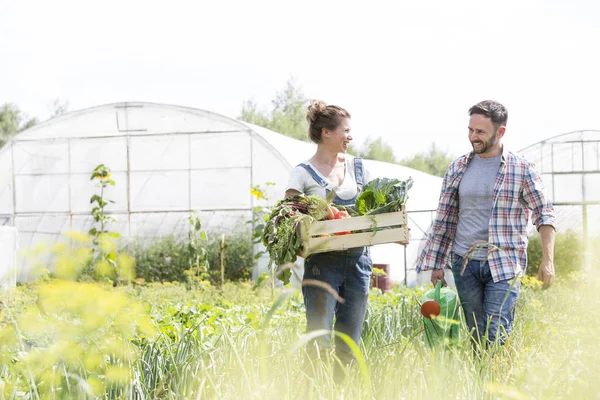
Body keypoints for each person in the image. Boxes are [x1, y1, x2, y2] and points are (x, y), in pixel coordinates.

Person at [416, 100, 556, 350]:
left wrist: (548, 259)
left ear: (500, 132)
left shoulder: (521, 169)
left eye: (480, 132)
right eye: (470, 130)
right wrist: (437, 263)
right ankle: (478, 387)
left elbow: (544, 213)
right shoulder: (458, 167)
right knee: (475, 334)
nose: (473, 137)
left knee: (495, 332)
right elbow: (445, 218)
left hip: (503, 263)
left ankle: (497, 385)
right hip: (464, 263)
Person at [285, 99, 372, 382]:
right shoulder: (301, 173)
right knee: (319, 340)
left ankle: (341, 391)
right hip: (323, 264)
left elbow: (371, 212)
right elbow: (289, 220)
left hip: (359, 261)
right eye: (345, 131)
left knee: (349, 341)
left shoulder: (359, 169)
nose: (350, 137)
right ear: (326, 133)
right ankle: (314, 391)